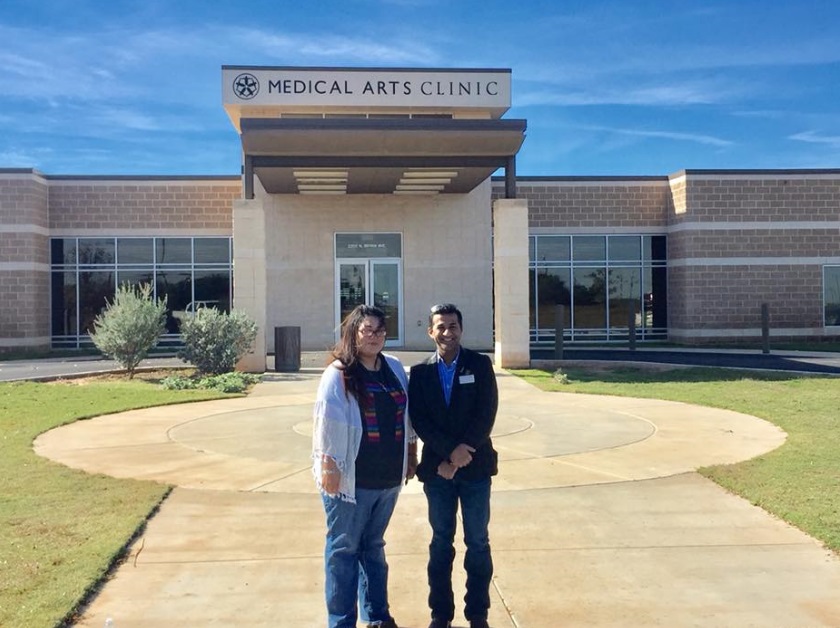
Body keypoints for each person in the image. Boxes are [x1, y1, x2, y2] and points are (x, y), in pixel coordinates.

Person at [312, 304, 418, 628]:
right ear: (354, 334)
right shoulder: (339, 374)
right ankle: (341, 621)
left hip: (387, 481)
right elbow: (326, 424)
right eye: (366, 330)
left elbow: (407, 416)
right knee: (343, 551)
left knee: (373, 548)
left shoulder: (396, 369)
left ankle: (376, 617)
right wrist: (329, 470)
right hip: (350, 484)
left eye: (379, 330)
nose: (374, 336)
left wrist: (411, 455)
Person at [408, 303, 499, 628]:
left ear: (461, 329)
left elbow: (486, 412)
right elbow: (420, 419)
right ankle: (441, 615)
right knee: (440, 543)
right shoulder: (419, 373)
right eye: (441, 327)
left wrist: (463, 452)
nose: (447, 332)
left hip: (475, 469)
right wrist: (450, 455)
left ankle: (477, 615)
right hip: (439, 472)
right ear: (431, 331)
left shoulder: (480, 364)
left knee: (477, 542)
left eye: (453, 326)